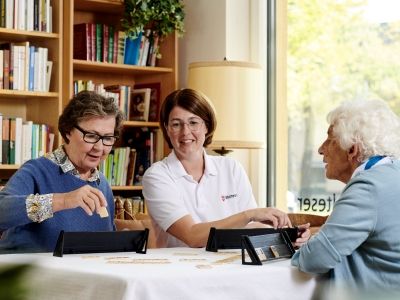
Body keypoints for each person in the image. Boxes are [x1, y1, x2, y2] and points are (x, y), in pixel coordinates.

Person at [143, 88, 310, 247]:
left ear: (206, 127)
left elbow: (248, 228)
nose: (185, 132)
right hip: (181, 271)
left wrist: (287, 236)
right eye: (176, 124)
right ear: (167, 129)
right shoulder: (157, 176)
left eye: (193, 122)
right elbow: (192, 236)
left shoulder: (231, 168)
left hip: (230, 266)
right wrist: (249, 215)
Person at [291, 99, 400, 291]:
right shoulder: (393, 173)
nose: (320, 149)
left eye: (329, 140)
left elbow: (313, 260)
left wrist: (311, 246)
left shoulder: (368, 187)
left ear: (352, 150)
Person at [0, 91, 123, 253]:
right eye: (91, 136)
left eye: (108, 138)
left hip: (81, 275)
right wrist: (63, 200)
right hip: (27, 276)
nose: (99, 148)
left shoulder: (102, 183)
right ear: (67, 132)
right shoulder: (36, 170)